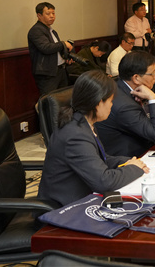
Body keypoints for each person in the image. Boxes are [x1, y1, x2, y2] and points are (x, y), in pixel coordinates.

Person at [38, 70, 148, 207]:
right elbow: (104, 182)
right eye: (110, 101)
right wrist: (134, 169)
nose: (112, 105)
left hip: (82, 197)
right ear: (98, 103)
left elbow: (100, 159)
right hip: (64, 208)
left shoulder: (82, 121)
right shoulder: (75, 135)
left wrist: (127, 162)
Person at [95, 51, 155, 157]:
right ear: (136, 78)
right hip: (128, 158)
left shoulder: (123, 85)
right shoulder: (124, 105)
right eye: (152, 73)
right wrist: (153, 99)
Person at [27, 2, 73, 95]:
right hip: (47, 74)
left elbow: (56, 49)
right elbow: (46, 48)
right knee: (49, 100)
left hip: (60, 70)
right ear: (39, 15)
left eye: (53, 13)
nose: (52, 16)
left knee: (63, 99)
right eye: (48, 14)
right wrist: (63, 43)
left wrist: (67, 57)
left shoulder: (52, 31)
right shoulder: (36, 30)